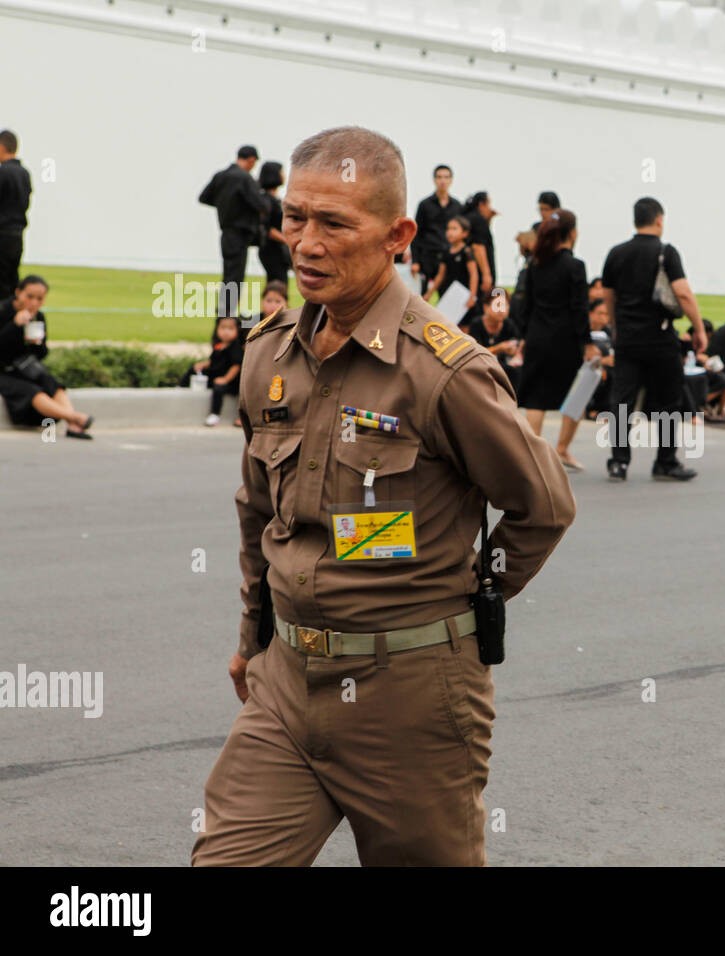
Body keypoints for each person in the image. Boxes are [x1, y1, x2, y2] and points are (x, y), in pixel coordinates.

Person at [191, 126, 576, 868]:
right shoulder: (269, 351)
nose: (305, 243)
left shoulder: (442, 370)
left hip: (410, 698)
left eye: (334, 223)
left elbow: (544, 505)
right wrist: (253, 636)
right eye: (295, 217)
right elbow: (256, 509)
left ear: (399, 235)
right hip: (286, 684)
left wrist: (469, 599)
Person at [599, 197, 707, 481]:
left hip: (627, 340)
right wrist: (699, 328)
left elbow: (608, 296)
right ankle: (665, 461)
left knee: (622, 401)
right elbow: (683, 293)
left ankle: (619, 462)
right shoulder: (666, 252)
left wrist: (615, 323)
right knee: (668, 402)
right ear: (659, 219)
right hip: (659, 338)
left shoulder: (616, 253)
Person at [517, 209, 599, 470]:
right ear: (572, 233)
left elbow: (525, 305)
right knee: (575, 396)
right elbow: (579, 308)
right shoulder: (575, 266)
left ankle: (530, 456)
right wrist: (587, 343)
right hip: (565, 341)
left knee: (536, 400)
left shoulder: (535, 264)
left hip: (537, 337)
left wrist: (523, 337)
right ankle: (562, 448)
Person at [0, 275, 94, 438]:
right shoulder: (4, 311)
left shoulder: (38, 317)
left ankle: (72, 425)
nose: (34, 303)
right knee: (33, 391)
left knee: (52, 383)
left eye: (40, 299)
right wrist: (15, 325)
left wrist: (36, 343)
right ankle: (74, 417)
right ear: (18, 293)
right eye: (29, 297)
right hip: (3, 371)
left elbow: (42, 354)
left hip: (24, 369)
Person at [199, 146, 271, 317]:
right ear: (252, 160)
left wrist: (225, 205)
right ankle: (227, 314)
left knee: (228, 274)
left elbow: (204, 197)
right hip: (241, 232)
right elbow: (262, 205)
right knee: (235, 276)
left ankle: (224, 312)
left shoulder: (221, 176)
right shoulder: (244, 178)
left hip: (226, 232)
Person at [180, 315, 244, 426]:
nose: (226, 332)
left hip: (230, 382)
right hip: (215, 374)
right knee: (193, 369)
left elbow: (236, 366)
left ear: (237, 330)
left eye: (230, 329)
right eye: (223, 328)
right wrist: (203, 364)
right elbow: (213, 361)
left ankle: (215, 415)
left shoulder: (235, 347)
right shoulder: (218, 345)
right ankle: (181, 387)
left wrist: (225, 379)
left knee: (218, 389)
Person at [409, 164, 461, 297]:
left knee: (447, 296)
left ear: (451, 180)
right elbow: (416, 234)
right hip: (427, 258)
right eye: (439, 177)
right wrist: (415, 261)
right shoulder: (425, 205)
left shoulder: (457, 206)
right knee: (423, 297)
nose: (442, 181)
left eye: (446, 177)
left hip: (448, 257)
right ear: (434, 180)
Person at [467, 289, 523, 393]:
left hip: (504, 368)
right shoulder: (476, 325)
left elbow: (517, 345)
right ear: (486, 307)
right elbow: (475, 353)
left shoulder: (509, 325)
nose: (501, 310)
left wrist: (515, 353)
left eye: (505, 305)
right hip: (482, 368)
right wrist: (499, 348)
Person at [426, 215, 478, 321]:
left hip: (463, 294)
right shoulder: (445, 252)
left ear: (465, 233)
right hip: (448, 293)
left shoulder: (466, 252)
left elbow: (474, 274)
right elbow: (440, 275)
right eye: (448, 229)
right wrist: (429, 293)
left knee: (464, 326)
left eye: (454, 229)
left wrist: (472, 295)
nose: (450, 232)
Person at [0, 130, 32, 303]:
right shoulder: (24, 173)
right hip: (17, 235)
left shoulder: (3, 172)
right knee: (13, 280)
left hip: (2, 234)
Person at [464, 191, 498, 323]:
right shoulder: (477, 219)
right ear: (481, 205)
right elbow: (478, 247)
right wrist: (486, 274)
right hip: (478, 272)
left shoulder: (469, 217)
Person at [256, 162, 290, 284]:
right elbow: (267, 227)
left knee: (282, 283)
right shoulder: (265, 199)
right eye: (281, 172)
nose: (284, 175)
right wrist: (287, 240)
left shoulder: (277, 199)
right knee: (277, 284)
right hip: (270, 249)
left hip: (279, 249)